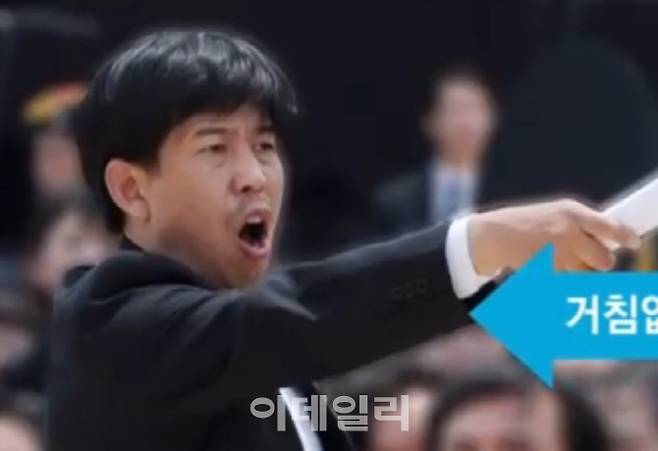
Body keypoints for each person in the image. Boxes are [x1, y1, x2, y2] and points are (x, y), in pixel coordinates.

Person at [47, 29, 639, 451]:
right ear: (131, 189)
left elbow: (317, 354)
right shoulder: (113, 325)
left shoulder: (269, 365)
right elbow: (303, 316)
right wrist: (480, 243)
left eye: (264, 146)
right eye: (215, 147)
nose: (254, 175)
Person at [373, 66, 496, 237]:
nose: (466, 123)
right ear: (430, 121)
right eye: (455, 110)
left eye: (474, 110)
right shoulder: (396, 199)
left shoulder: (511, 199)